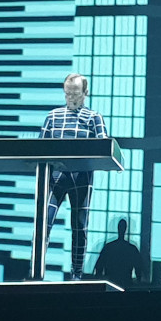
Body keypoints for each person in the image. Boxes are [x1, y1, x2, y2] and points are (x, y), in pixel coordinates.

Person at [40, 73, 108, 280]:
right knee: (43, 223)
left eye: (75, 94)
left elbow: (104, 147)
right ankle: (37, 271)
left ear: (85, 93)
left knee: (79, 227)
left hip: (81, 178)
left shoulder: (94, 118)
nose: (70, 98)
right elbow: (38, 147)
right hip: (55, 178)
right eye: (67, 93)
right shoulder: (53, 116)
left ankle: (76, 275)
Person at [95, 217, 145, 286]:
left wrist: (99, 282)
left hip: (110, 283)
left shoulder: (108, 247)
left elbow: (99, 267)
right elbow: (138, 269)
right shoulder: (132, 249)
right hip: (126, 283)